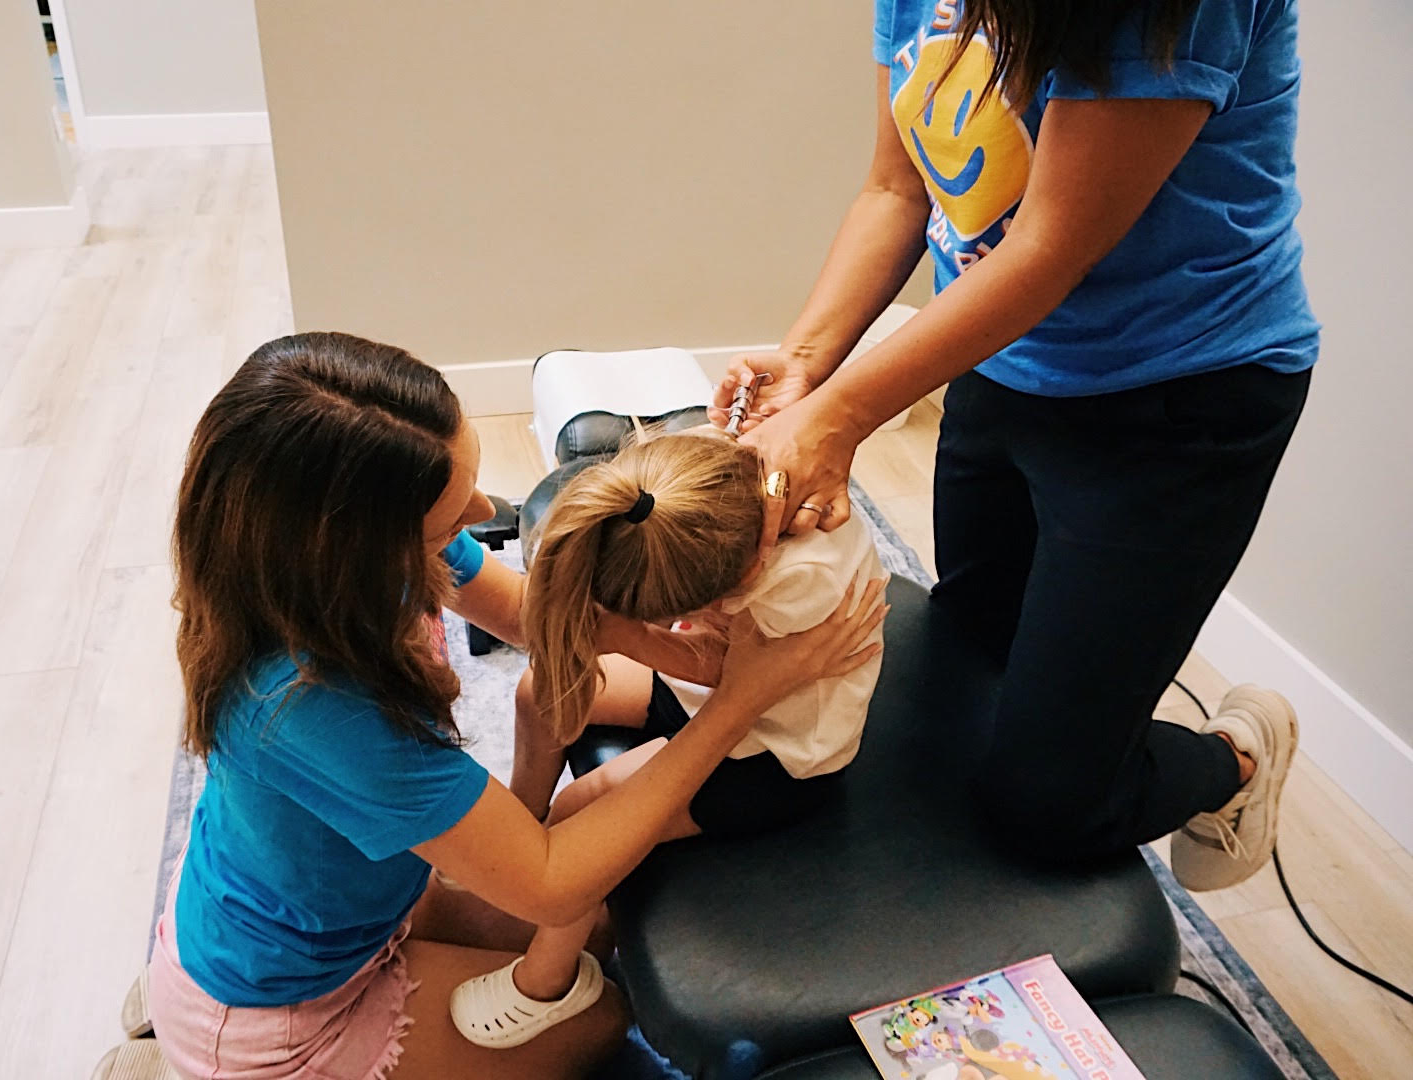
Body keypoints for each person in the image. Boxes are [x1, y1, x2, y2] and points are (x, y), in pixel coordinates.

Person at [145, 332, 886, 1080]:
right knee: (604, 1019)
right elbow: (553, 876)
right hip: (281, 1017)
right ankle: (186, 1058)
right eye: (442, 523)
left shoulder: (332, 575)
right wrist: (741, 699)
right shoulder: (316, 713)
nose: (478, 510)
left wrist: (672, 649)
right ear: (359, 553)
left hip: (357, 911)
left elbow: (530, 616)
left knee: (596, 934)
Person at [711, 0, 1315, 889]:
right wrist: (803, 365)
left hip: (1180, 401)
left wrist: (837, 418)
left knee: (1052, 804)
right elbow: (897, 188)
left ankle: (1236, 759)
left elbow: (1048, 246)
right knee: (970, 653)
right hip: (1001, 362)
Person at [451, 429, 888, 1048]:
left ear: (724, 589)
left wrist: (627, 637)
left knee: (585, 813)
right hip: (711, 695)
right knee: (540, 690)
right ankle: (523, 821)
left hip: (770, 755)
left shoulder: (801, 583)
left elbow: (730, 675)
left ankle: (547, 982)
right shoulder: (715, 485)